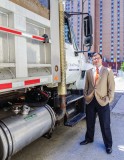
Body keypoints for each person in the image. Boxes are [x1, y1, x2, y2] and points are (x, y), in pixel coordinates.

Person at [80, 52, 115, 154]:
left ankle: (108, 145)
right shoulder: (89, 71)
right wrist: (86, 96)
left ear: (101, 59)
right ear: (92, 60)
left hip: (103, 101)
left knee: (105, 124)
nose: (95, 60)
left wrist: (108, 99)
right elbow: (86, 86)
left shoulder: (107, 71)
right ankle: (89, 138)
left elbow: (111, 87)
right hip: (91, 100)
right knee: (89, 122)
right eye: (94, 59)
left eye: (97, 58)